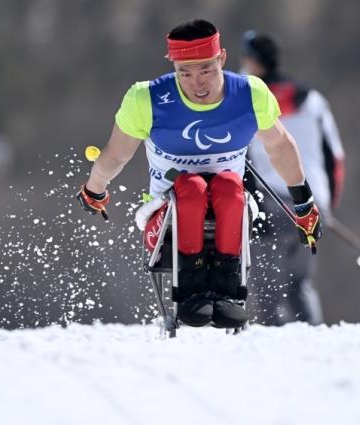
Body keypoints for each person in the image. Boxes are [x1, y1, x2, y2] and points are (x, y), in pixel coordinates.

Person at [75, 19, 322, 329]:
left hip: (230, 203)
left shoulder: (249, 94)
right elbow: (116, 155)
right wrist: (94, 190)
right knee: (190, 187)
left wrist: (304, 204)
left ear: (222, 59)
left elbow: (281, 147)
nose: (197, 84)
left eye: (206, 70)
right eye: (185, 73)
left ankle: (228, 293)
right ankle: (191, 293)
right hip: (168, 214)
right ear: (173, 67)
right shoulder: (146, 99)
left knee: (230, 186)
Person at [240, 30, 346, 326]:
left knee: (268, 291)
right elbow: (334, 158)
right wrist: (328, 207)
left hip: (270, 202)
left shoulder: (248, 101)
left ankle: (271, 360)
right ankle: (313, 349)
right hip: (312, 204)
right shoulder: (312, 100)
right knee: (300, 285)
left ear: (253, 62)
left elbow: (239, 160)